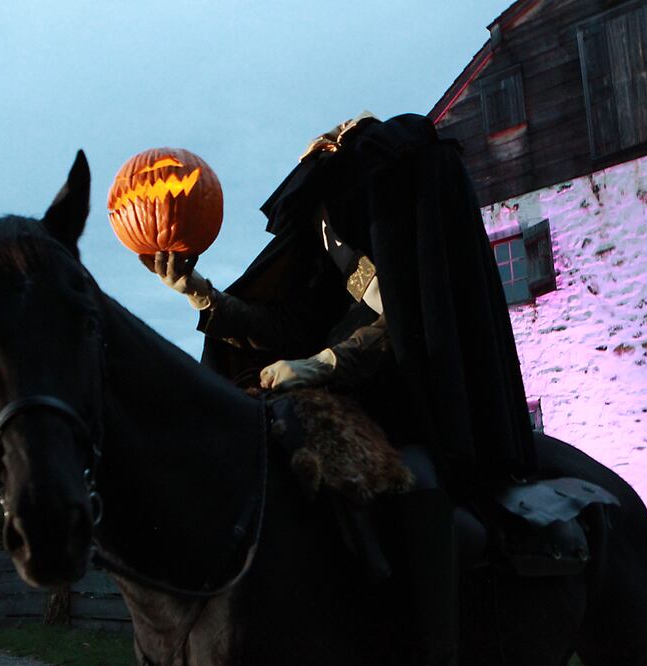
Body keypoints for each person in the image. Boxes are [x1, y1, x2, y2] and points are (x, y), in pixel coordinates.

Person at [147, 113, 536, 666]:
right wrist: (202, 294)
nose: (331, 231)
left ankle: (438, 648)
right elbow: (283, 327)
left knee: (419, 487)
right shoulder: (335, 270)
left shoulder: (412, 265)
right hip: (329, 400)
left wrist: (320, 365)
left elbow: (399, 329)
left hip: (403, 407)